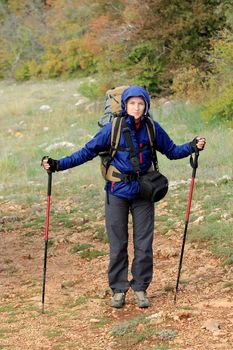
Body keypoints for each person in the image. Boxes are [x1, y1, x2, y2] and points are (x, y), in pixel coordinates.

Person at [41, 85, 206, 308]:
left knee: (144, 244)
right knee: (118, 244)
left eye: (141, 103)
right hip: (116, 192)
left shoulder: (151, 128)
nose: (136, 108)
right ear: (125, 105)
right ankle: (118, 290)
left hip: (144, 193)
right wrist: (58, 165)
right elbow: (87, 151)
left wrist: (192, 146)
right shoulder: (113, 128)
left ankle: (140, 288)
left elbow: (172, 151)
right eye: (132, 103)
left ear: (146, 105)